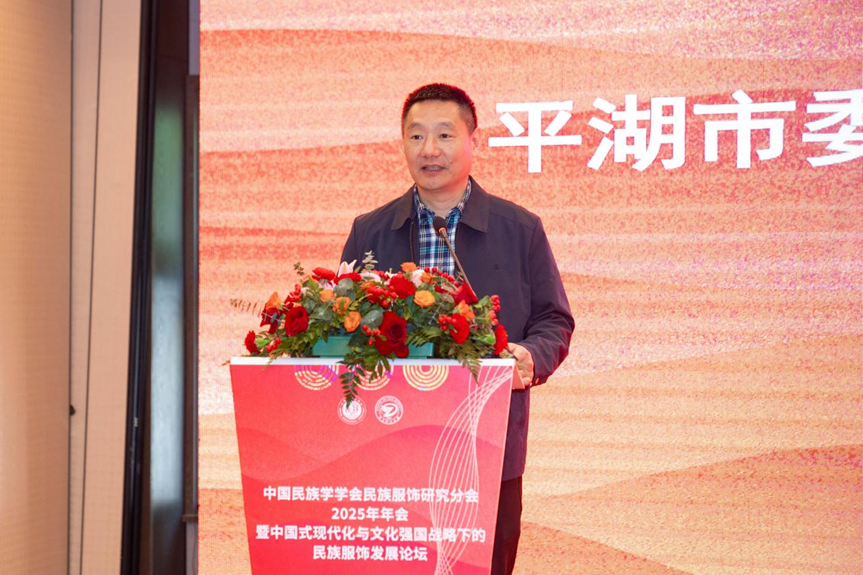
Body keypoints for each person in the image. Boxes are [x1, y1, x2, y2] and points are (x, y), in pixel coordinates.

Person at [340, 83, 573, 575]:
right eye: (416, 136)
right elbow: (344, 324)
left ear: (473, 141)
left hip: (487, 446)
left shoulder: (520, 229)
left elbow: (554, 319)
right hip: (389, 447)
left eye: (444, 135)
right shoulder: (370, 231)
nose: (429, 149)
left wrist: (531, 356)